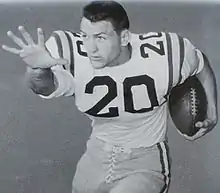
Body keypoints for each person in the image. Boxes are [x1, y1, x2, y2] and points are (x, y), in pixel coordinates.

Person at [2, 1, 218, 193]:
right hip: (95, 157)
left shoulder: (166, 55)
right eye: (85, 35)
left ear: (124, 37)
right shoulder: (70, 53)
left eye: (101, 37)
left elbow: (200, 65)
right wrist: (38, 68)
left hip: (145, 161)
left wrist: (212, 110)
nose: (91, 48)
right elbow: (43, 87)